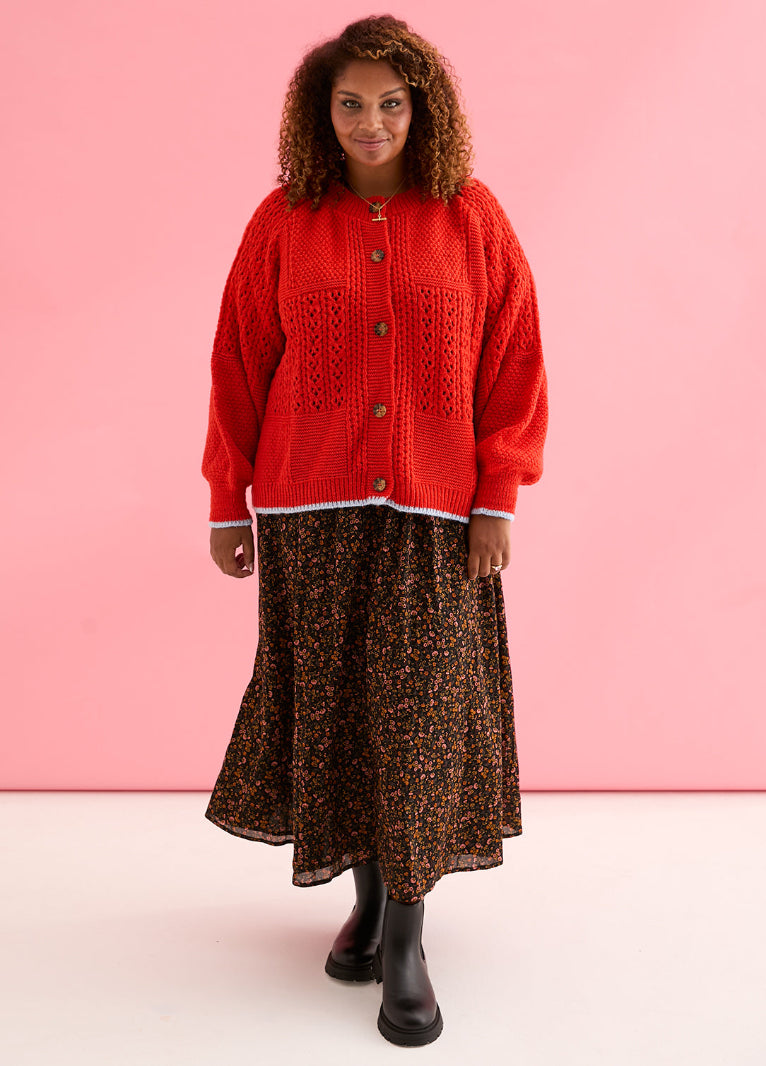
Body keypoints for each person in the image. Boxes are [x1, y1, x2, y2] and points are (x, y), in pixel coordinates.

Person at [201, 14, 548, 1048]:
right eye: (348, 103)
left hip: (436, 519)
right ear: (321, 114)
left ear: (422, 108)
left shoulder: (471, 217)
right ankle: (364, 903)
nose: (369, 121)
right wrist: (228, 499)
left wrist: (498, 496)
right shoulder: (282, 221)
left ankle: (404, 937)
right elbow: (235, 365)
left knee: (419, 720)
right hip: (309, 510)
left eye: (389, 102)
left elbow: (515, 361)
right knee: (343, 715)